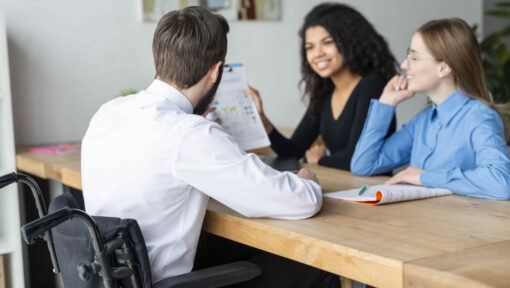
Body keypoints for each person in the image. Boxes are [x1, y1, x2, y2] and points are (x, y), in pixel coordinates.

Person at [81, 6, 340, 287]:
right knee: (319, 265)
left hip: (117, 275)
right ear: (217, 71)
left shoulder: (108, 112)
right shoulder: (189, 134)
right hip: (165, 282)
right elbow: (298, 202)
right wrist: (306, 181)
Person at [350, 18, 510, 200]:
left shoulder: (479, 118)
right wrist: (385, 104)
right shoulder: (423, 121)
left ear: (443, 68)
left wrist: (424, 177)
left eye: (414, 57)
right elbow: (363, 165)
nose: (404, 66)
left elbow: (501, 183)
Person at [247, 3, 397, 170]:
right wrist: (264, 122)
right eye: (310, 47)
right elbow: (293, 150)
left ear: (349, 42)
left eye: (327, 43)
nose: (317, 53)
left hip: (371, 190)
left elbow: (355, 157)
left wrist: (319, 160)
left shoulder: (373, 84)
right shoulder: (324, 92)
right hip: (343, 185)